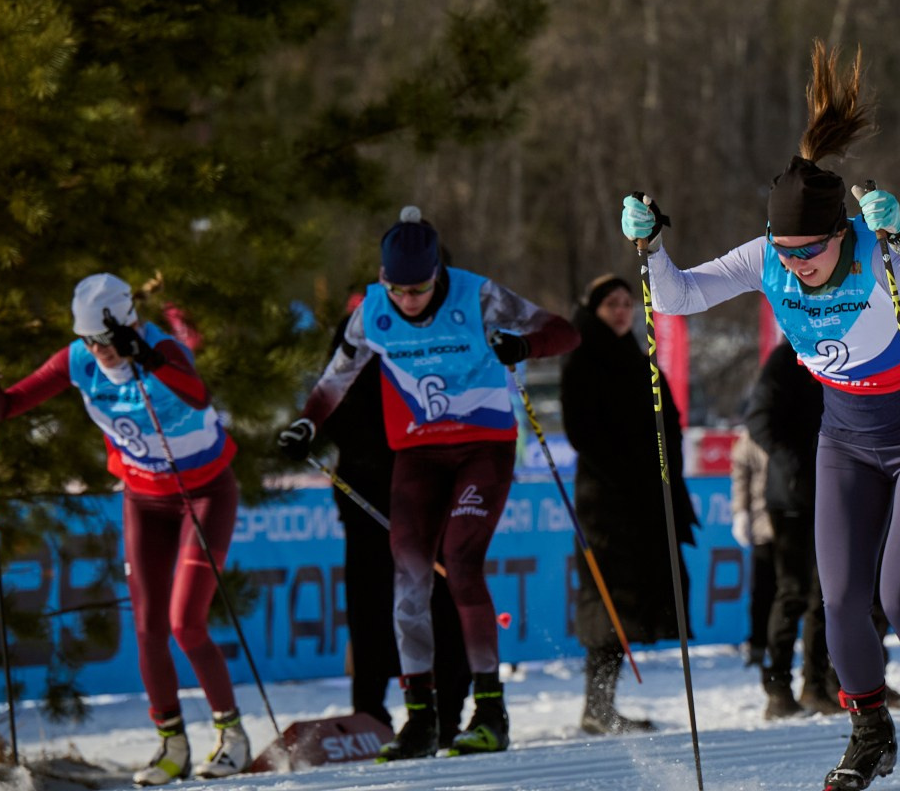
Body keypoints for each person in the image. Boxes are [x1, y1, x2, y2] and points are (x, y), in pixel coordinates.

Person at [621, 42, 900, 791]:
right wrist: (652, 249)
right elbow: (679, 297)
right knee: (841, 596)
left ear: (842, 235)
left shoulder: (879, 257)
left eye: (810, 251)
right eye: (785, 253)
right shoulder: (768, 257)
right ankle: (870, 734)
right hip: (845, 438)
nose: (797, 265)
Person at [278, 207, 578, 760]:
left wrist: (523, 347)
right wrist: (306, 424)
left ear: (438, 275)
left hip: (482, 447)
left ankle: (490, 711)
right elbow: (335, 378)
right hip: (417, 452)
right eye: (399, 290)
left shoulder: (477, 296)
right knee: (410, 580)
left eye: (419, 289)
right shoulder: (372, 311)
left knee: (460, 562)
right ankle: (421, 719)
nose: (409, 302)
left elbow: (563, 332)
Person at [0, 275, 251, 784]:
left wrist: (148, 359)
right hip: (144, 499)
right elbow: (2, 409)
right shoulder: (78, 361)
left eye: (105, 340)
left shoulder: (162, 349)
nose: (98, 352)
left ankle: (231, 734)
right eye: (89, 342)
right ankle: (171, 744)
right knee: (146, 628)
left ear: (129, 324)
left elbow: (197, 394)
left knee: (185, 622)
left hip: (205, 494)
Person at [317, 302, 471, 738]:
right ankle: (370, 710)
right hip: (370, 495)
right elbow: (329, 406)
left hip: (434, 490)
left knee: (440, 599)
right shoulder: (360, 330)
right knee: (372, 605)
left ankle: (446, 710)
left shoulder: (450, 331)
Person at [559, 273, 695, 735]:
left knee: (629, 598)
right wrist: (628, 467)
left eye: (626, 303)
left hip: (643, 500)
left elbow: (666, 421)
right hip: (606, 502)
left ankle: (602, 705)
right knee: (606, 599)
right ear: (593, 309)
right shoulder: (584, 356)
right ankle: (596, 706)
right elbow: (583, 431)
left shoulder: (638, 356)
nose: (621, 311)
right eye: (611, 304)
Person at [743, 339, 837, 716]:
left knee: (825, 596)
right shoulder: (785, 358)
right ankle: (777, 687)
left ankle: (815, 685)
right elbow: (758, 419)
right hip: (792, 496)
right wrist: (793, 463)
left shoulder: (839, 348)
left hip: (832, 492)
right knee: (793, 592)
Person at [730, 424, 773, 669]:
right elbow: (740, 478)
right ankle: (757, 645)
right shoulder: (750, 439)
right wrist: (741, 512)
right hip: (763, 523)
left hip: (797, 521)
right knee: (763, 590)